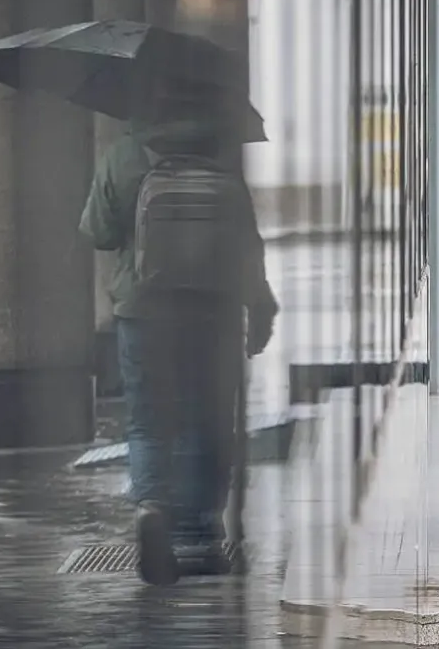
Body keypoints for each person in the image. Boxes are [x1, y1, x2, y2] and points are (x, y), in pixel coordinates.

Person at [79, 88, 278, 586]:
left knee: (147, 420)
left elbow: (98, 231)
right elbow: (246, 245)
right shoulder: (221, 154)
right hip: (213, 309)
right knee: (205, 421)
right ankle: (198, 535)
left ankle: (150, 508)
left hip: (142, 308)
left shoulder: (125, 152)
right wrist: (260, 305)